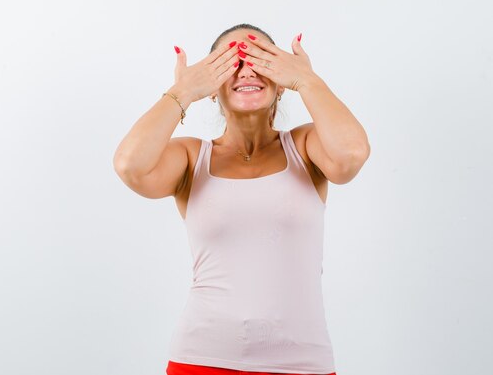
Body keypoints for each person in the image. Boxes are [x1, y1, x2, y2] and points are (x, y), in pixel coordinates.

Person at [113, 23, 370, 375]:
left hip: (302, 363)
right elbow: (131, 166)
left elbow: (351, 156)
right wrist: (182, 91)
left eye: (262, 59)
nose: (247, 69)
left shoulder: (306, 147)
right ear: (213, 85)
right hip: (202, 359)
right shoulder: (192, 158)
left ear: (282, 81)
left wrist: (309, 81)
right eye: (231, 61)